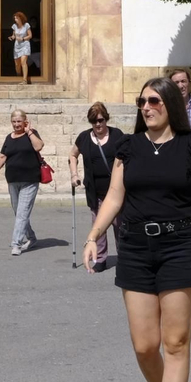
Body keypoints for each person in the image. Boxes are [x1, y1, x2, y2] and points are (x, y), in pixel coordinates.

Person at [83, 77, 191, 382]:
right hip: (135, 249)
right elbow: (114, 196)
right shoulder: (128, 148)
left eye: (155, 101)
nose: (147, 107)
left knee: (175, 343)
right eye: (143, 101)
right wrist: (93, 235)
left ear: (171, 104)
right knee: (145, 345)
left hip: (181, 247)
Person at [68, 102, 128, 272]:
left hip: (117, 190)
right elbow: (73, 155)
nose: (98, 124)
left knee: (120, 225)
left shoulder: (117, 135)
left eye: (101, 120)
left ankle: (124, 257)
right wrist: (74, 174)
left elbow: (129, 156)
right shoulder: (84, 137)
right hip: (95, 190)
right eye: (94, 121)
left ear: (106, 119)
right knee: (98, 224)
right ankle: (100, 258)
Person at [0, 110, 44, 255]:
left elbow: (39, 146)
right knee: (19, 212)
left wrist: (29, 132)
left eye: (19, 121)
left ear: (25, 121)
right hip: (13, 180)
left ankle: (16, 244)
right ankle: (31, 238)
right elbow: (2, 156)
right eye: (14, 121)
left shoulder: (32, 134)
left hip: (30, 180)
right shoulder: (9, 137)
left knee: (22, 213)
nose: (16, 124)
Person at [9, 11, 33, 84]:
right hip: (17, 46)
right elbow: (14, 35)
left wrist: (23, 39)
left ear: (20, 18)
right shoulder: (14, 26)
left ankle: (24, 80)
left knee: (23, 62)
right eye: (15, 18)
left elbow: (30, 35)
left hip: (25, 44)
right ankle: (18, 76)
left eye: (16, 18)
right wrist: (11, 37)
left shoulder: (26, 25)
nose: (15, 19)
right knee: (17, 64)